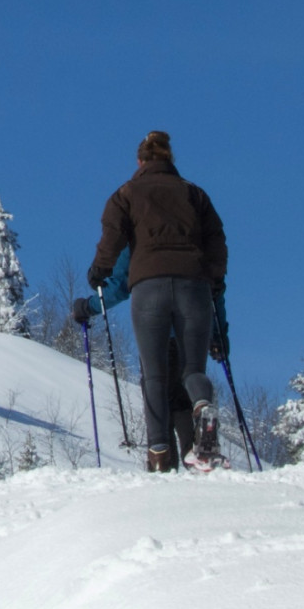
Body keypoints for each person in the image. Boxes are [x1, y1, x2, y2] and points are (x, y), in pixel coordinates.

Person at [80, 130, 228, 472]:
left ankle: (159, 454)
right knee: (192, 370)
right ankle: (202, 407)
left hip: (149, 287)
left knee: (155, 375)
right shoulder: (195, 194)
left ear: (140, 161)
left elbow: (113, 233)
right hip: (194, 287)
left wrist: (100, 269)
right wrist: (214, 281)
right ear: (170, 158)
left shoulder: (126, 193)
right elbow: (217, 242)